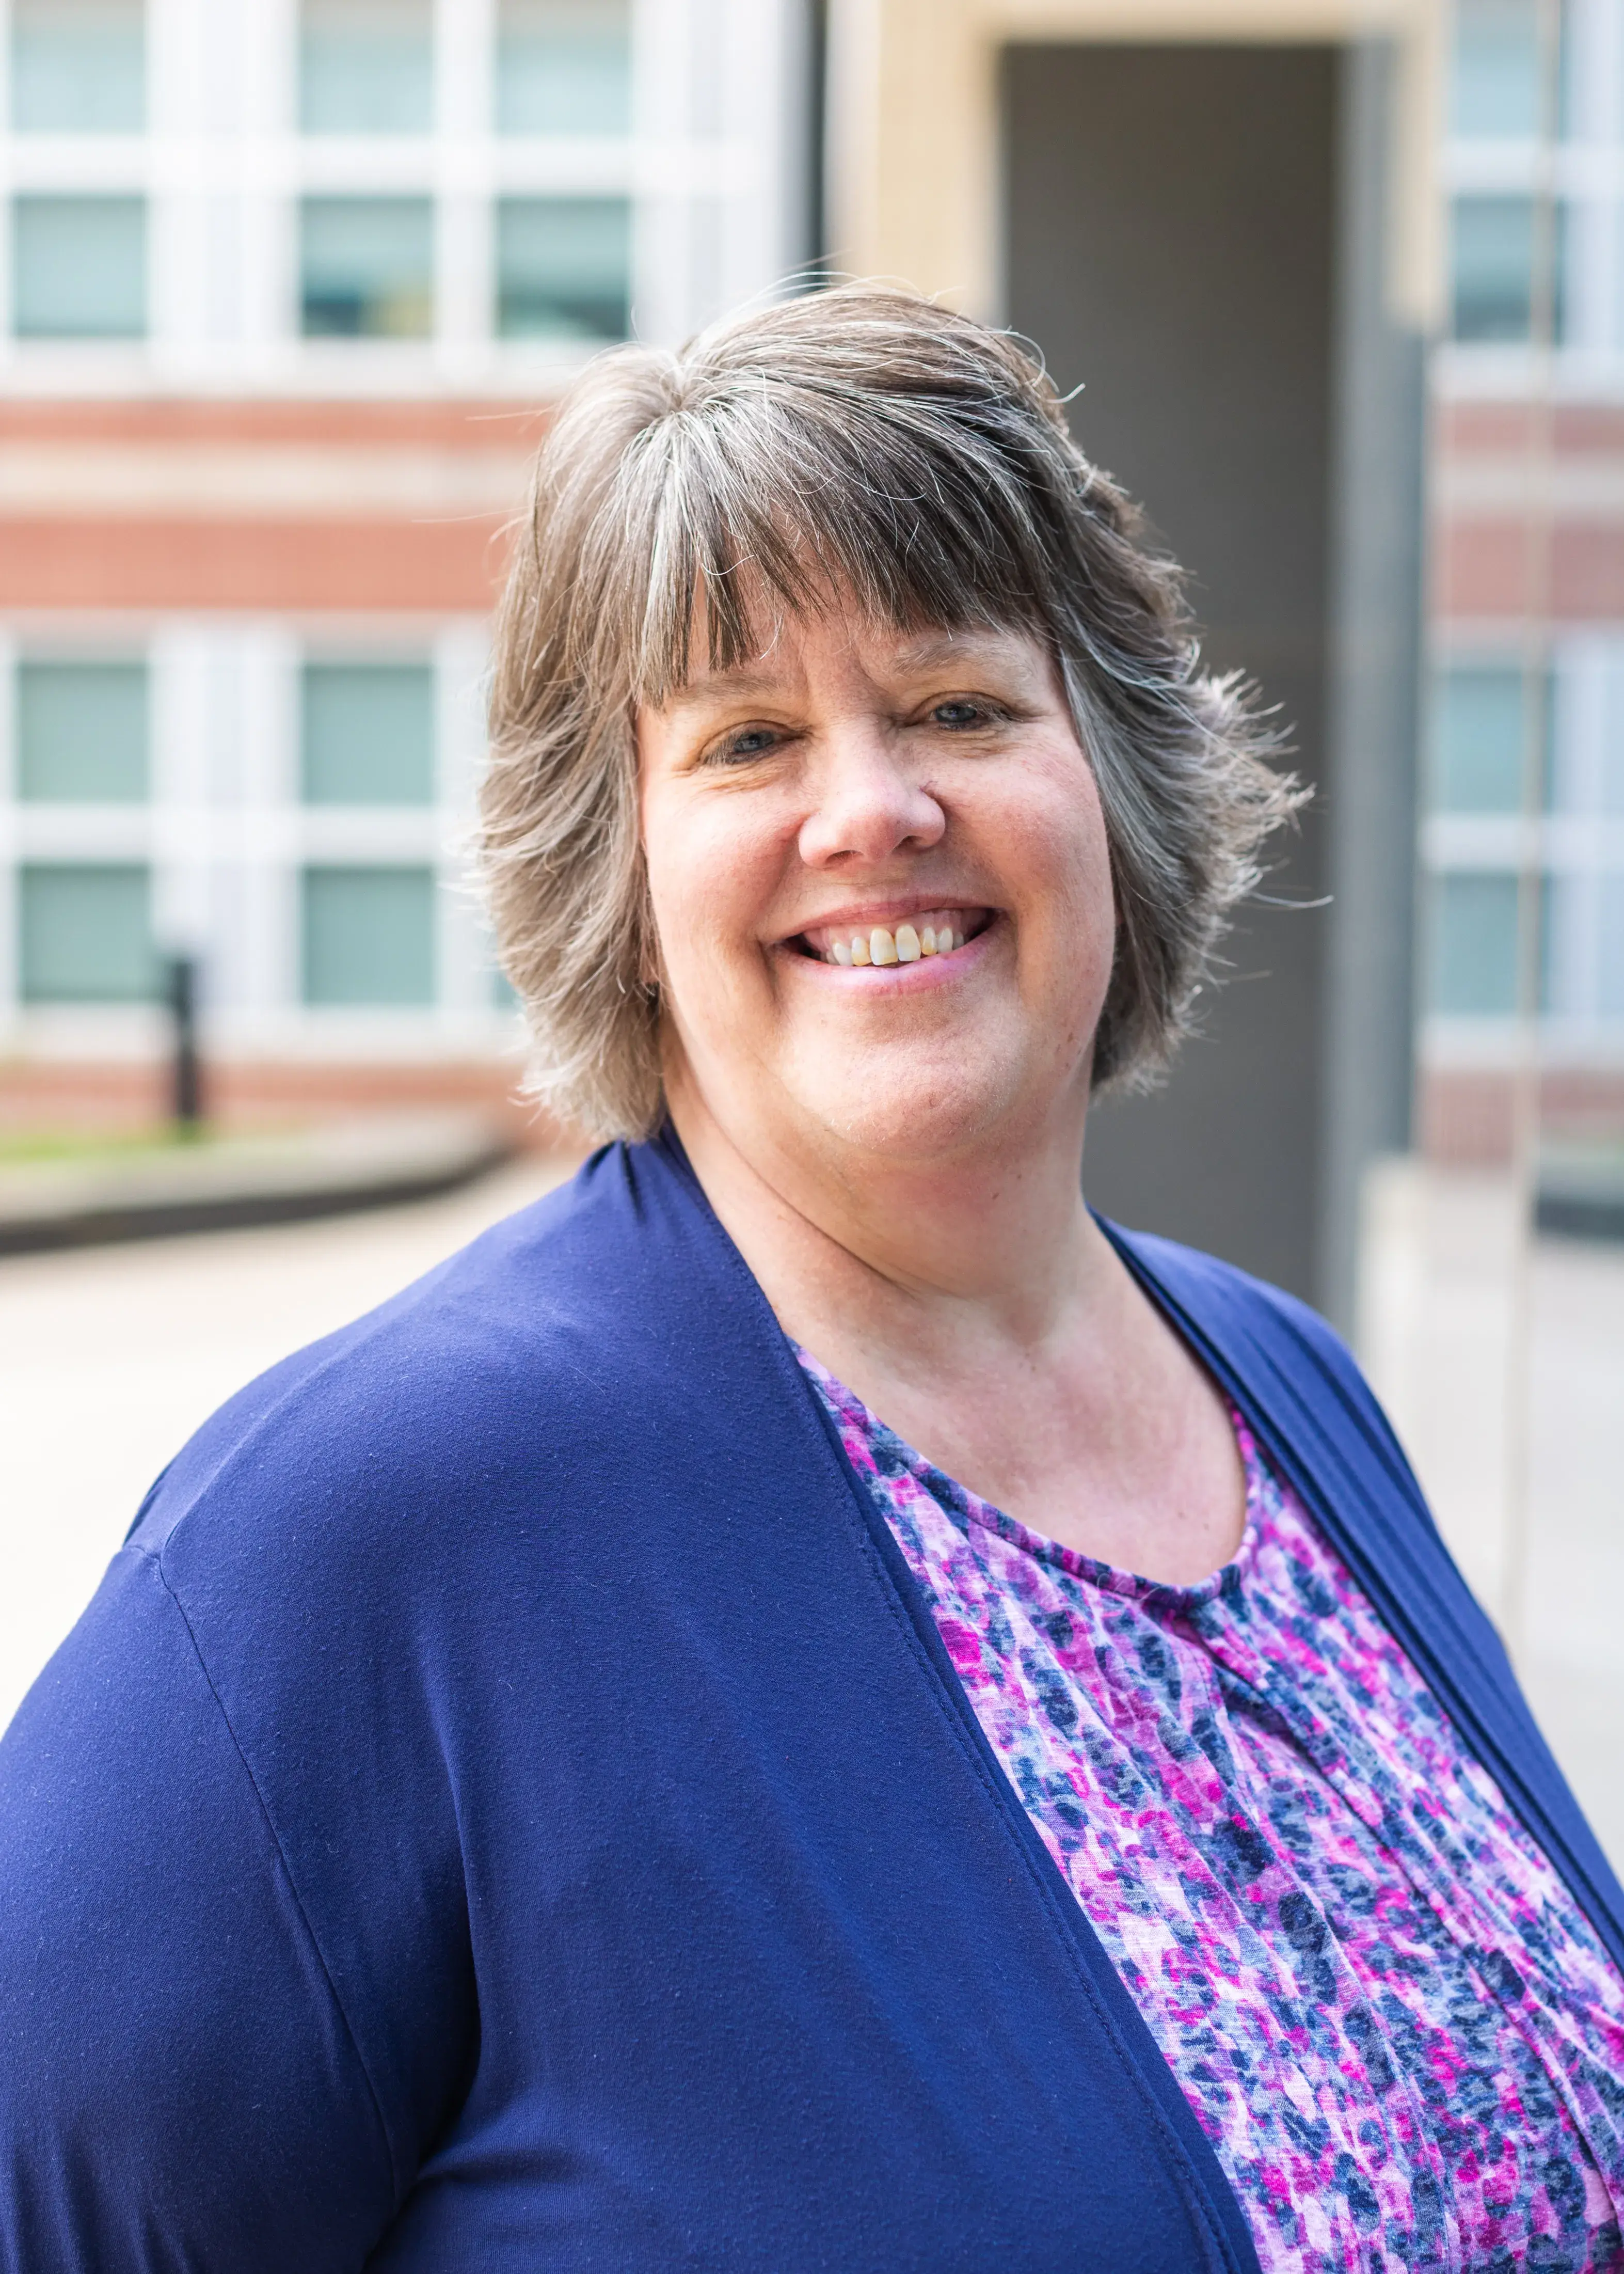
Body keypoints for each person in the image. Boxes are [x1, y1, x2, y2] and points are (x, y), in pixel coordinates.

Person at [1, 288, 1620, 2274]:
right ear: (621, 869)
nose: (872, 810)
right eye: (748, 737)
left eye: (958, 704)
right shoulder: (377, 1529)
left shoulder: (1283, 1386)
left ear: (1107, 774)